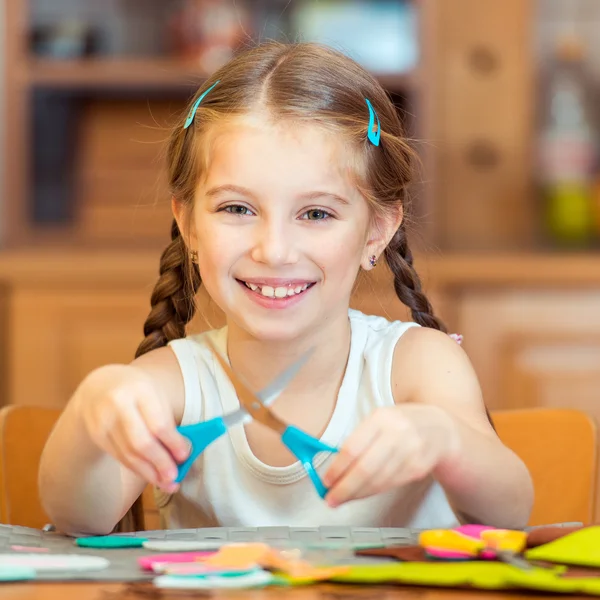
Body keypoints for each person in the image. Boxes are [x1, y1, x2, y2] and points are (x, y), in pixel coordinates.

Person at [39, 41, 533, 535]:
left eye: (316, 213)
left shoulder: (417, 366)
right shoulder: (173, 383)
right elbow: (81, 517)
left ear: (376, 231)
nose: (274, 251)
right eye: (237, 209)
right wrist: (90, 412)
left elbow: (509, 513)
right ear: (188, 224)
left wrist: (445, 440)